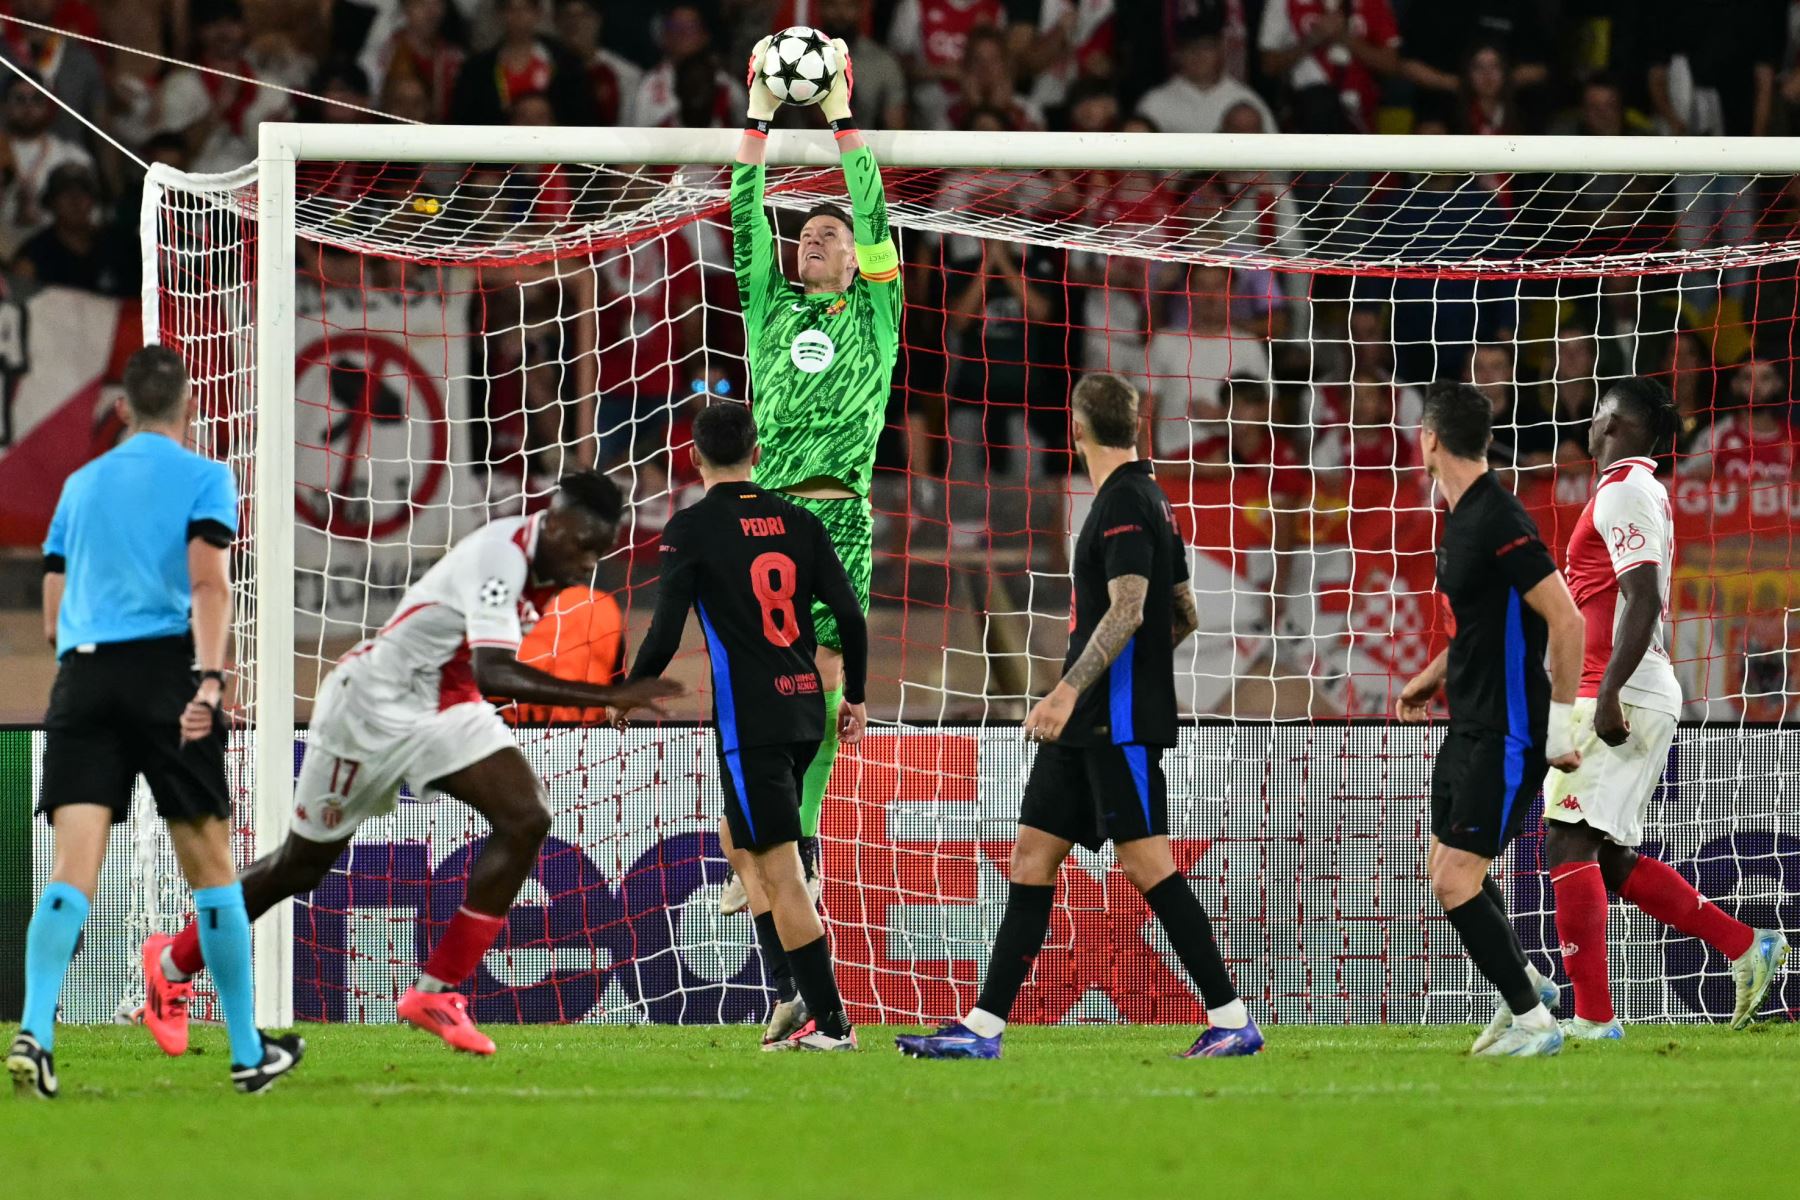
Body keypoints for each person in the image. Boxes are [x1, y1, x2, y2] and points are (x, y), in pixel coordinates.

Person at [137, 473, 681, 1059]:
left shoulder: (551, 566)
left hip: (444, 708)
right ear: (554, 520)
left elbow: (477, 674)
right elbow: (498, 672)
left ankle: (436, 992)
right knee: (300, 866)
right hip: (369, 708)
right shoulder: (503, 556)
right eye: (583, 542)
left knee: (527, 818)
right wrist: (608, 697)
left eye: (601, 549)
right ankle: (171, 963)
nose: (589, 560)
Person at [897, 374, 1264, 1060]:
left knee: (1148, 863)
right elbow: (1182, 613)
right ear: (1135, 424)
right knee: (1031, 859)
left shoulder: (1123, 502)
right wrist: (1128, 671)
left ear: (1075, 427)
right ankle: (983, 1028)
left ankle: (1233, 1016)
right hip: (1087, 723)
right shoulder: (1149, 498)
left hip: (1110, 721)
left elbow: (1130, 608)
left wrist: (1070, 689)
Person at [7, 346, 301, 1099]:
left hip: (83, 678)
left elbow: (49, 619)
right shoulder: (205, 477)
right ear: (189, 405)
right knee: (212, 871)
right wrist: (209, 677)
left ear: (126, 408)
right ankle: (245, 1052)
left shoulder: (79, 485)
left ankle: (36, 1032)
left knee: (72, 874)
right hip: (168, 678)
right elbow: (208, 580)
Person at [1546, 377, 1789, 1039]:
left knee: (1567, 837)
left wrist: (1612, 692)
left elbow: (1646, 597)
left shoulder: (1626, 488)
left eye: (1599, 416)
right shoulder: (1630, 488)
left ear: (1619, 427)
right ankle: (1744, 944)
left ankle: (1594, 1019)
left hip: (1618, 687)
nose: (1589, 426)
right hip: (1615, 684)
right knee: (1608, 856)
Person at [629, 403, 870, 1051]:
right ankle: (791, 992)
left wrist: (631, 689)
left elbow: (663, 627)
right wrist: (858, 696)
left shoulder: (691, 527)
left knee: (780, 871)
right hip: (804, 707)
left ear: (692, 458)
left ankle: (829, 1021)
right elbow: (849, 614)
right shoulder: (798, 520)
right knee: (738, 841)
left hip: (753, 719)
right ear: (758, 454)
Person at [725, 37, 900, 912]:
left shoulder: (878, 309)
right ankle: (759, 847)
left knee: (828, 687)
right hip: (774, 518)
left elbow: (873, 217)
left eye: (827, 234)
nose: (813, 240)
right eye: (805, 235)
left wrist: (839, 117)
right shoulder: (768, 308)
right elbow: (743, 204)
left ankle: (805, 837)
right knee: (765, 693)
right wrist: (759, 112)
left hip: (845, 519)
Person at [1396, 381, 1586, 1057]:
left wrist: (1561, 728)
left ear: (1430, 440)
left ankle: (1536, 1023)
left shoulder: (1499, 518)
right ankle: (1527, 981)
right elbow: (1480, 630)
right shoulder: (1463, 516)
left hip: (1509, 730)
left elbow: (1566, 620)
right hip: (1469, 722)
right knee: (1444, 864)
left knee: (1455, 880)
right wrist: (1429, 678)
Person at [1135, 19, 1273, 135]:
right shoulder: (1154, 103)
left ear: (1221, 50)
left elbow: (1276, 161)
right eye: (1190, 48)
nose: (1198, 55)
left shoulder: (1247, 101)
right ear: (1177, 54)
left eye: (1206, 47)